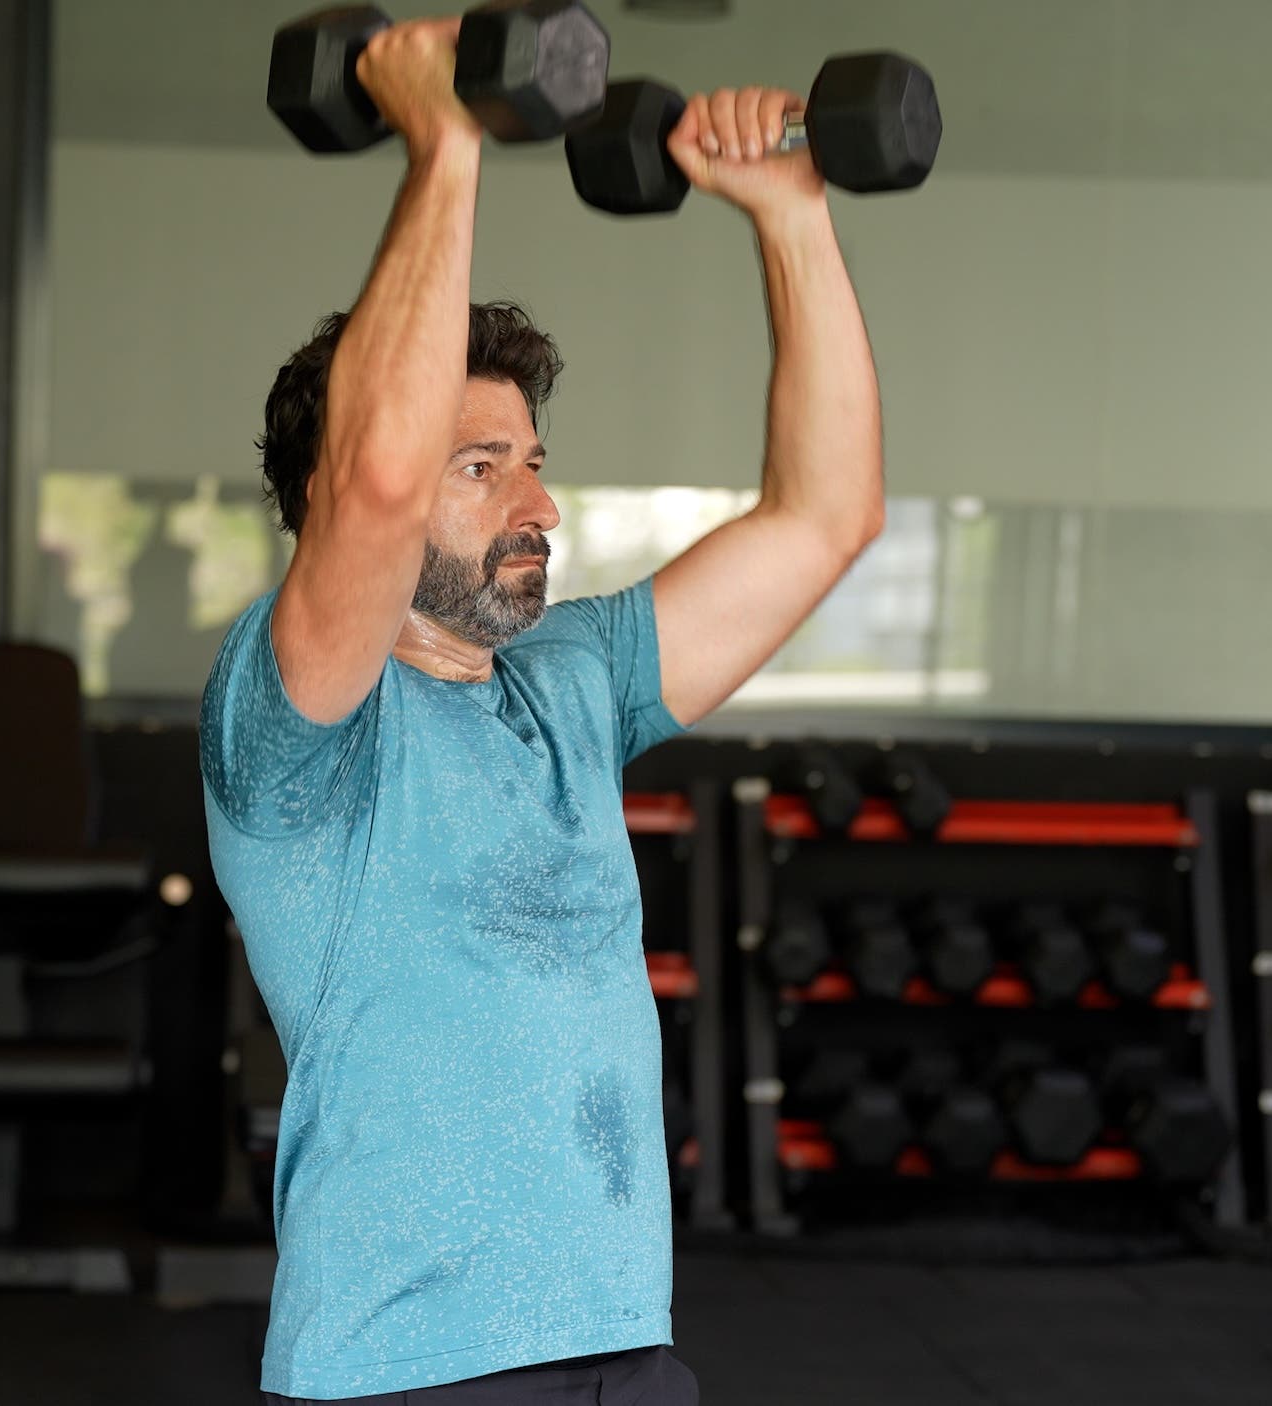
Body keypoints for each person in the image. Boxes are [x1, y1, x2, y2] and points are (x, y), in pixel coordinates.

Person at [202, 17, 885, 1403]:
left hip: (623, 1350)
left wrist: (790, 214)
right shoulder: (295, 728)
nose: (540, 505)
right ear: (334, 494)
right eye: (483, 465)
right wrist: (445, 143)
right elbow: (377, 491)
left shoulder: (568, 679)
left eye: (535, 461)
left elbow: (826, 517)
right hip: (407, 1372)